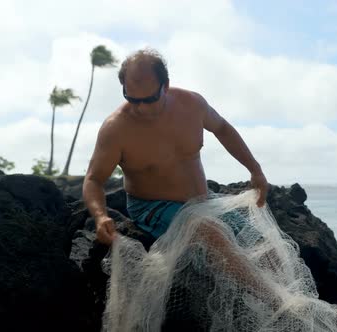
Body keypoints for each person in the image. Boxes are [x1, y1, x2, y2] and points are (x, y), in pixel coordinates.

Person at [82, 48, 269, 247]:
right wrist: (100, 217)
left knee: (261, 245)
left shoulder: (192, 104)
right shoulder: (116, 129)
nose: (142, 107)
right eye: (133, 99)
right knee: (209, 233)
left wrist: (255, 170)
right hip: (152, 207)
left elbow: (222, 128)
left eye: (150, 99)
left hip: (204, 201)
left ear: (166, 85)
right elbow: (93, 179)